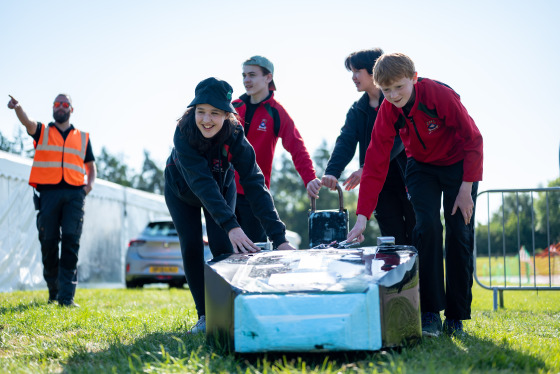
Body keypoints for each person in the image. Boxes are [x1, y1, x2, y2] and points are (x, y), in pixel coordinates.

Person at [346, 53, 483, 337]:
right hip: (420, 167)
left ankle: (456, 316)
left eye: (399, 87)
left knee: (459, 232)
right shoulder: (388, 109)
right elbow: (375, 162)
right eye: (386, 90)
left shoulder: (439, 95)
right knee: (427, 227)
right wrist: (362, 218)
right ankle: (430, 311)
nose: (394, 95)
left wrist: (466, 188)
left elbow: (473, 139)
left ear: (414, 78)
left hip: (458, 166)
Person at [164, 77, 296, 334]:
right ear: (193, 111)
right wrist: (231, 224)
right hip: (182, 192)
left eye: (214, 113)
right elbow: (202, 184)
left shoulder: (235, 135)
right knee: (191, 245)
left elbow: (256, 185)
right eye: (200, 111)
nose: (206, 119)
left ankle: (226, 310)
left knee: (223, 247)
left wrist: (279, 238)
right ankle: (204, 315)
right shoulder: (183, 132)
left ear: (227, 115)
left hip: (222, 189)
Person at [7, 94, 96, 308]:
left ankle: (67, 298)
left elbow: (91, 167)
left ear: (71, 110)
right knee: (48, 243)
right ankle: (54, 293)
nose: (61, 107)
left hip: (75, 195)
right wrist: (18, 107)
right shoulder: (42, 132)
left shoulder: (82, 137)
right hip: (48, 195)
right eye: (57, 103)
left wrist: (89, 186)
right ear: (53, 108)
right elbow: (27, 122)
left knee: (70, 243)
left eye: (65, 104)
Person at [322, 48, 415, 245]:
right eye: (351, 72)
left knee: (418, 233)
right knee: (392, 238)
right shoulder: (357, 110)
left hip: (408, 177)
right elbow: (345, 141)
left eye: (357, 71)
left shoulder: (396, 100)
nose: (353, 77)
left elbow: (400, 140)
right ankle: (400, 277)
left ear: (374, 71)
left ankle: (425, 277)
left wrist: (365, 169)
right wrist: (332, 172)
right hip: (378, 186)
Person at [232, 56, 321, 243]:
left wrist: (309, 178)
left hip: (254, 195)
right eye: (244, 75)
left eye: (252, 75)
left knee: (255, 252)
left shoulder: (276, 112)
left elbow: (297, 147)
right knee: (225, 253)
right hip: (226, 192)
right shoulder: (233, 108)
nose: (246, 80)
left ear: (268, 77)